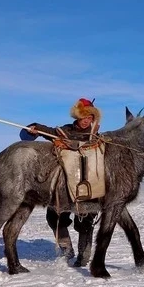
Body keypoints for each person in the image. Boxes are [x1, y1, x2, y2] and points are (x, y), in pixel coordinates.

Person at [20, 98, 102, 258]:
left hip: (87, 187)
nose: (86, 121)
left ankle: (83, 255)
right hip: (63, 187)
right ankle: (66, 250)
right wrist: (34, 129)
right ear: (77, 117)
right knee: (54, 217)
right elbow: (37, 134)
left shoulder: (97, 138)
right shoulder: (65, 132)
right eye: (83, 117)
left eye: (89, 118)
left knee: (86, 220)